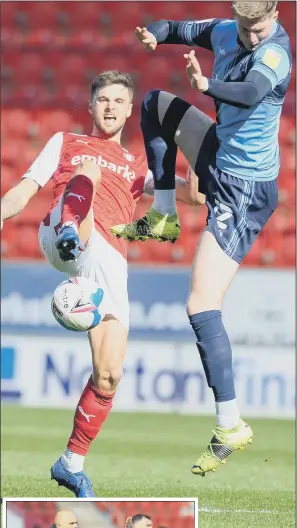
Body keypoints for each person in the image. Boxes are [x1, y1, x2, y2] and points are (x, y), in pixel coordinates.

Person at [0, 70, 204, 496]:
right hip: (62, 230)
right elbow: (23, 191)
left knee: (109, 375)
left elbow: (196, 197)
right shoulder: (65, 143)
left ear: (130, 112)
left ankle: (70, 463)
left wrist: (193, 144)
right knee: (89, 168)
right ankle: (73, 229)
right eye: (103, 99)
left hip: (107, 261)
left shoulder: (138, 167)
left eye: (118, 101)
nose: (109, 106)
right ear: (90, 106)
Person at [112, 1, 292, 476]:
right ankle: (165, 214)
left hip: (245, 189)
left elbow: (251, 93)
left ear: (273, 18)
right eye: (246, 28)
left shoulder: (276, 54)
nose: (252, 36)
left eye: (260, 28)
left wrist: (206, 85)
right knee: (153, 104)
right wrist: (153, 33)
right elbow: (175, 26)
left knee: (200, 305)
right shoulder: (224, 31)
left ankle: (229, 424)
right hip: (219, 154)